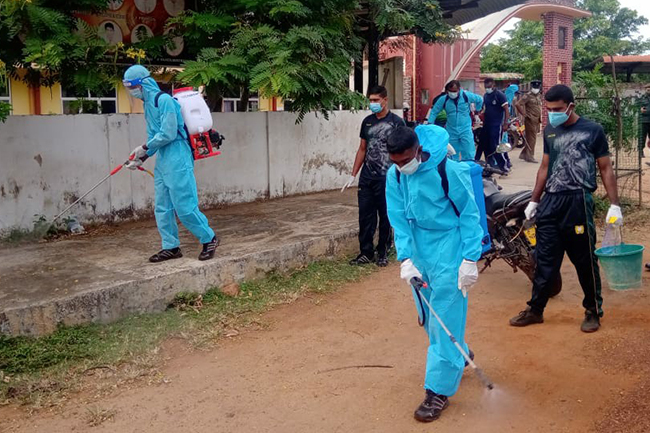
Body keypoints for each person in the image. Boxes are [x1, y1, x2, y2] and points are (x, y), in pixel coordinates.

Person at [386, 124, 483, 423]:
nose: (403, 167)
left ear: (418, 150)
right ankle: (459, 352)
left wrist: (469, 258)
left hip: (449, 246)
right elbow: (398, 217)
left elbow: (469, 213)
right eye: (396, 162)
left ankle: (437, 390)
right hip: (418, 247)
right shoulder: (395, 176)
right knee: (430, 316)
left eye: (406, 160)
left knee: (446, 314)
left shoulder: (447, 170)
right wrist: (405, 258)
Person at [509, 84, 621, 333]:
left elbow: (605, 168)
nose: (552, 113)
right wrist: (535, 201)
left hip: (577, 201)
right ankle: (536, 310)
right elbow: (545, 168)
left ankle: (592, 310)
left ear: (571, 106)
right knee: (544, 259)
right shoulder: (550, 130)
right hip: (551, 202)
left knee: (584, 260)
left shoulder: (593, 131)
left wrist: (615, 205)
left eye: (557, 109)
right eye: (549, 109)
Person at [122, 65, 218, 263]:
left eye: (133, 87)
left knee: (184, 205)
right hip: (164, 158)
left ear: (144, 83)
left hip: (178, 154)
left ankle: (209, 238)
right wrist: (142, 156)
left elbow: (168, 133)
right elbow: (154, 136)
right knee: (162, 206)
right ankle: (171, 246)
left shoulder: (164, 101)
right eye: (128, 88)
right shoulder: (147, 105)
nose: (132, 91)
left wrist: (144, 148)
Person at [342, 85, 405, 267]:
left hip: (388, 177)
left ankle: (383, 251)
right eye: (370, 100)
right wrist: (353, 174)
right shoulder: (367, 122)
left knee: (385, 215)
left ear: (385, 100)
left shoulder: (396, 123)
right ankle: (365, 252)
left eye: (376, 100)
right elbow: (362, 148)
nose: (373, 103)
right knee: (365, 215)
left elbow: (402, 150)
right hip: (367, 177)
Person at [427, 80, 483, 161]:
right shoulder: (444, 99)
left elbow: (480, 99)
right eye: (450, 91)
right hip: (451, 129)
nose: (452, 93)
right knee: (452, 153)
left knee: (468, 151)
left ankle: (469, 168)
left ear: (459, 89)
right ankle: (454, 169)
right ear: (447, 91)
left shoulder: (466, 96)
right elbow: (434, 111)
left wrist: (477, 111)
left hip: (465, 129)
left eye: (454, 91)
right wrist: (430, 124)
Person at [476, 78, 509, 171]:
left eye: (489, 87)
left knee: (495, 146)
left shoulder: (499, 95)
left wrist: (505, 123)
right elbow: (485, 109)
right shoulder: (486, 95)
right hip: (486, 124)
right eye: (486, 87)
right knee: (483, 144)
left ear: (493, 85)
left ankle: (503, 166)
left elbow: (506, 110)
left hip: (496, 125)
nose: (487, 89)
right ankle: (488, 164)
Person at [516, 80, 543, 163]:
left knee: (531, 138)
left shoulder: (539, 95)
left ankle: (524, 154)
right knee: (532, 138)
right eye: (535, 87)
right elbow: (518, 104)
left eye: (537, 87)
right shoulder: (527, 96)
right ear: (532, 87)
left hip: (537, 119)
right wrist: (523, 114)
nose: (536, 89)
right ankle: (530, 156)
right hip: (530, 119)